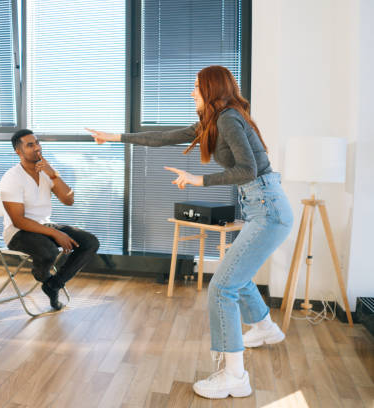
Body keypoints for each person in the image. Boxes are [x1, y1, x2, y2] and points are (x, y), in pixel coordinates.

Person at [87, 65, 293, 399]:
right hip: (264, 207)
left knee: (222, 288)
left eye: (196, 86)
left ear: (211, 89)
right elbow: (165, 137)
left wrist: (200, 179)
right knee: (235, 272)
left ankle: (234, 376)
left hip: (267, 210)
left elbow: (247, 169)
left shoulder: (227, 118)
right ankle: (264, 327)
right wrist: (117, 137)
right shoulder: (216, 120)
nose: (191, 92)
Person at [0, 129, 100, 310]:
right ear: (18, 152)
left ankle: (53, 285)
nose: (37, 147)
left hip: (44, 226)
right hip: (17, 233)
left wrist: (53, 174)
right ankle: (42, 275)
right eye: (30, 145)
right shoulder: (11, 178)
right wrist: (55, 233)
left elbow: (69, 200)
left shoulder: (46, 172)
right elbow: (18, 221)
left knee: (90, 242)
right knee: (49, 252)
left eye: (37, 142)